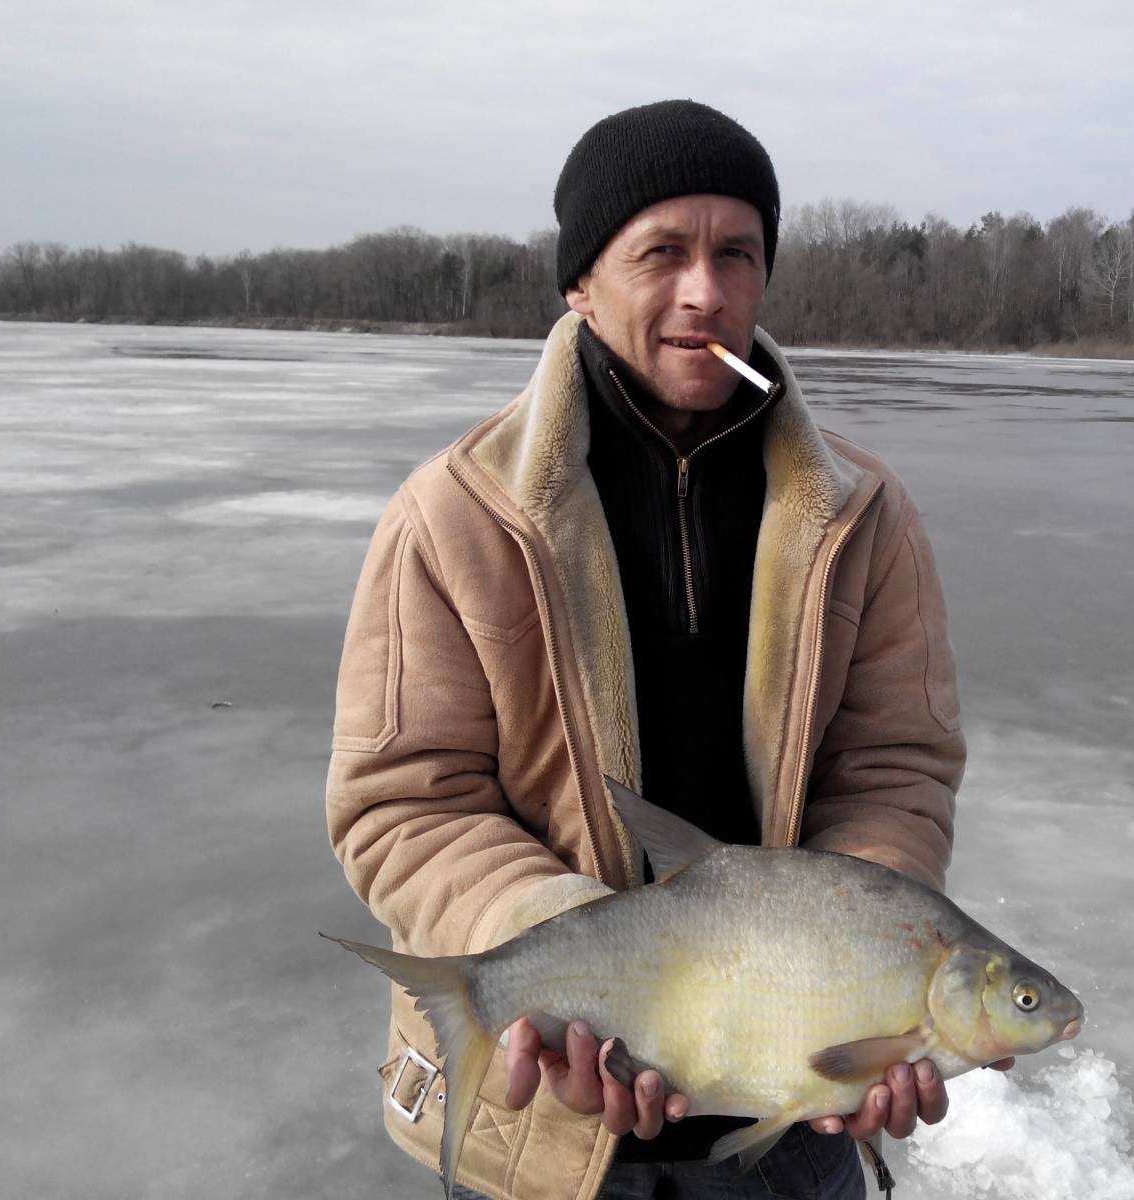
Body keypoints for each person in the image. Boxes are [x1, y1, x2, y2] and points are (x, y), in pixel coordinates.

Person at [327, 99, 978, 1200]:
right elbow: (402, 803)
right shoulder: (456, 515)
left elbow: (896, 768)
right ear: (581, 282)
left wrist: (872, 971)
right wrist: (555, 952)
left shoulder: (862, 515)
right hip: (539, 1121)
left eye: (738, 255)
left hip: (793, 1115)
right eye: (662, 253)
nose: (705, 292)